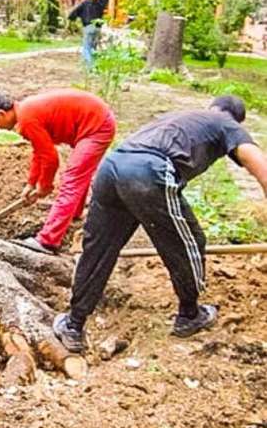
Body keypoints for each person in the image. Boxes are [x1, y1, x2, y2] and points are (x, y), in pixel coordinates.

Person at [52, 96, 267, 353]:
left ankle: (73, 325)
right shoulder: (227, 123)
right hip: (147, 172)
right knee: (188, 242)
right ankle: (190, 314)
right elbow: (257, 161)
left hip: (112, 166)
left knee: (98, 249)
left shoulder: (183, 116)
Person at [0, 89, 116, 254]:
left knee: (72, 179)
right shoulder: (25, 112)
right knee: (77, 175)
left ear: (1, 114)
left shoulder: (27, 119)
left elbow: (51, 159)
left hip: (97, 127)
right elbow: (39, 151)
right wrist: (31, 184)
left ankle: (48, 241)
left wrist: (45, 186)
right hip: (94, 120)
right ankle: (75, 213)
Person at [68, 0, 111, 69]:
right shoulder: (100, 4)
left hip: (88, 27)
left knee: (87, 47)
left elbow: (72, 14)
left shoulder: (84, 4)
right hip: (98, 28)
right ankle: (94, 65)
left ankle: (89, 67)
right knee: (93, 47)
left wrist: (73, 19)